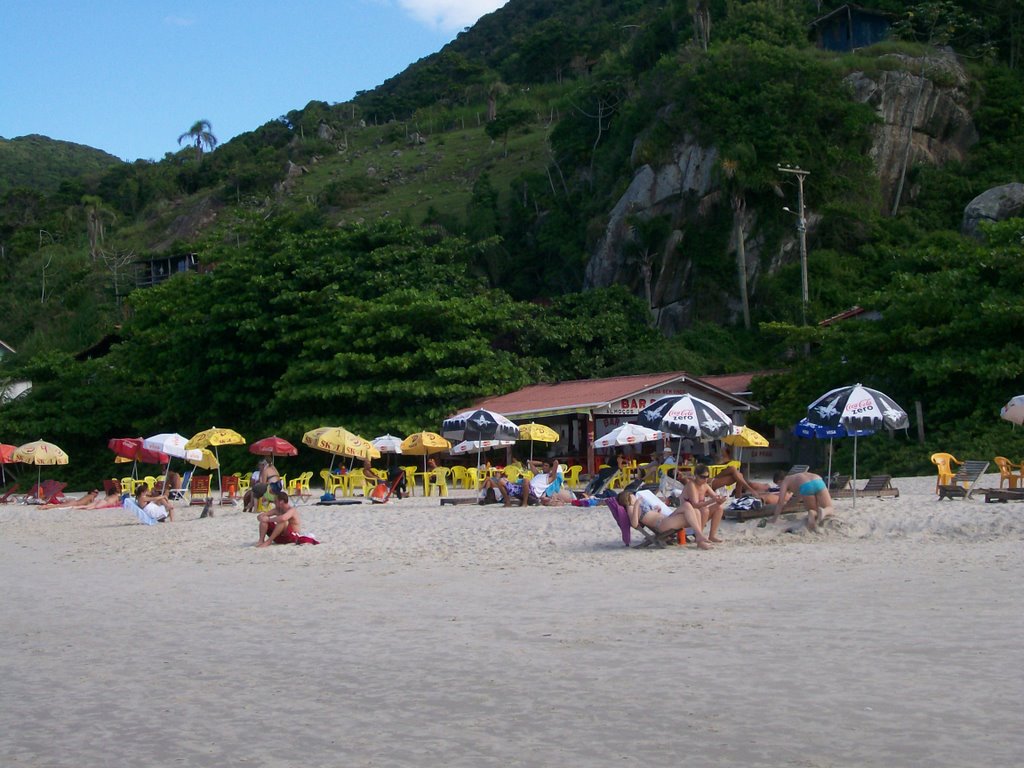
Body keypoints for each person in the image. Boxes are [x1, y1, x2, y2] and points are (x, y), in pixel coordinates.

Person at [616, 489, 712, 550]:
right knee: (692, 510)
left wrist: (655, 510)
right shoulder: (631, 507)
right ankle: (700, 538)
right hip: (662, 524)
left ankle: (699, 538)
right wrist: (637, 504)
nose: (634, 495)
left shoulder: (636, 505)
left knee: (694, 510)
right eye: (632, 495)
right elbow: (634, 523)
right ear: (628, 498)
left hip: (665, 519)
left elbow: (648, 515)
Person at [686, 464, 726, 543]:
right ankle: (699, 536)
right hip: (688, 515)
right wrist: (712, 500)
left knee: (719, 507)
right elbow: (694, 504)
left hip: (699, 514)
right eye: (702, 477)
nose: (705, 479)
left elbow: (715, 497)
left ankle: (712, 536)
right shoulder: (691, 485)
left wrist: (720, 499)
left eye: (707, 477)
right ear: (696, 476)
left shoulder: (705, 485)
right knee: (705, 510)